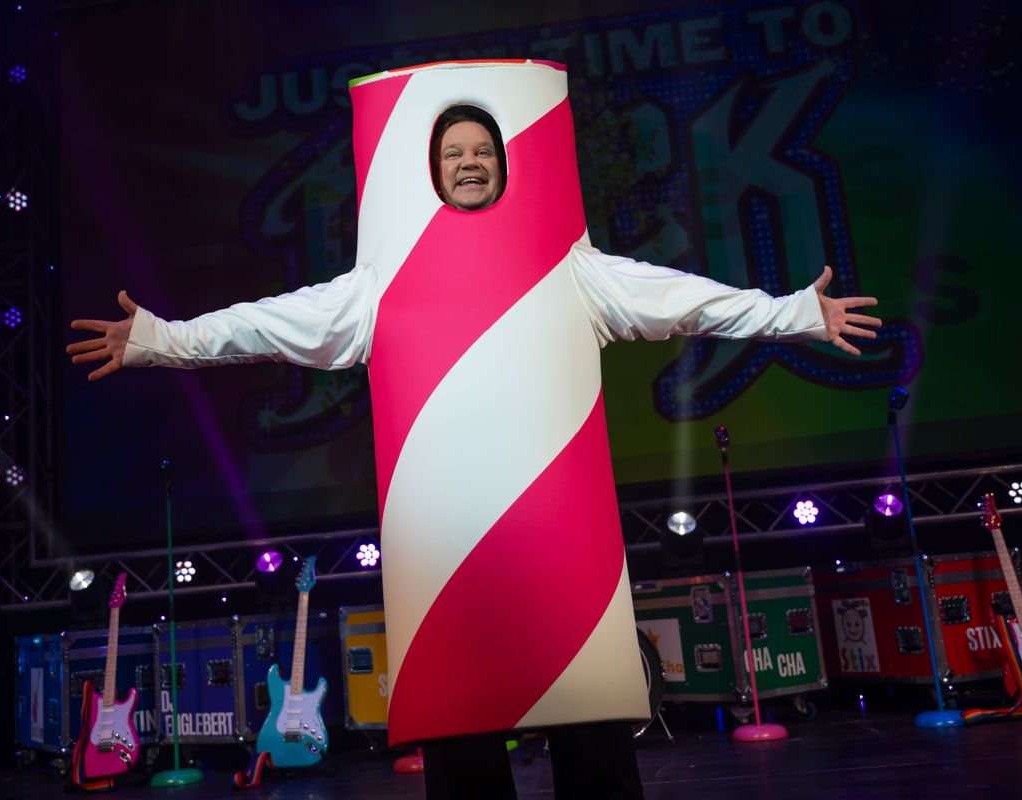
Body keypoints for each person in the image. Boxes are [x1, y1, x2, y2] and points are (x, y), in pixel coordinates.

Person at [69, 70, 880, 799]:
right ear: (430, 169)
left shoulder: (574, 269)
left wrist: (796, 314)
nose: (468, 162)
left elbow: (689, 300)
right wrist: (162, 339)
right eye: (452, 152)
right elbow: (263, 324)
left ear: (506, 162)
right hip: (449, 556)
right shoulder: (378, 287)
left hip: (558, 552)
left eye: (483, 150)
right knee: (464, 741)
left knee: (591, 738)